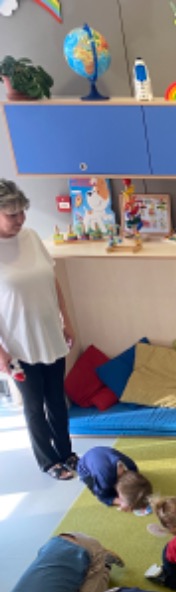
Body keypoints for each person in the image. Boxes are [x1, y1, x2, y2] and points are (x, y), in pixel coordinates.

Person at [0, 179, 79, 480]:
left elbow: (52, 280)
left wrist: (66, 320)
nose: (20, 219)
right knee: (34, 406)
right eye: (12, 214)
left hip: (50, 334)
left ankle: (66, 452)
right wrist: (1, 352)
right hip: (19, 345)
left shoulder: (31, 237)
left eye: (22, 212)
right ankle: (48, 461)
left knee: (57, 399)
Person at [75, 445, 152, 512]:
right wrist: (121, 502)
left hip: (100, 453)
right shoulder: (105, 481)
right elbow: (103, 497)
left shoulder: (132, 467)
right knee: (101, 491)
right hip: (84, 465)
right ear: (117, 489)